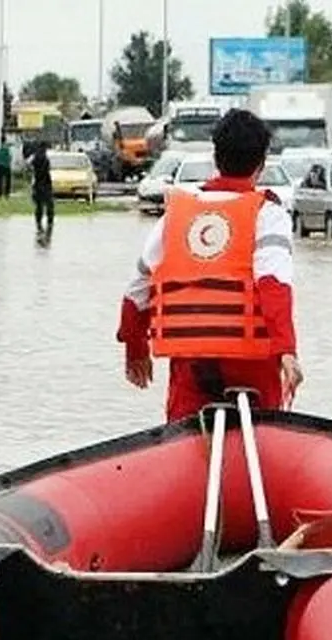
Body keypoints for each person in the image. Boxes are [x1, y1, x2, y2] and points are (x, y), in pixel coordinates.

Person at [116, 108, 303, 422]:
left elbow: (137, 290)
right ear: (262, 162)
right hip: (252, 362)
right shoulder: (268, 214)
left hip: (191, 361)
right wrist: (287, 350)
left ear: (215, 157)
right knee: (263, 441)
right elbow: (274, 284)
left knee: (184, 441)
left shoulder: (175, 216)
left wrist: (135, 349)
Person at [30, 143, 54, 234]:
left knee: (39, 206)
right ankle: (49, 221)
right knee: (49, 204)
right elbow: (46, 170)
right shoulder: (44, 158)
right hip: (45, 184)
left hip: (38, 184)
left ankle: (39, 222)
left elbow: (31, 168)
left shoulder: (35, 158)